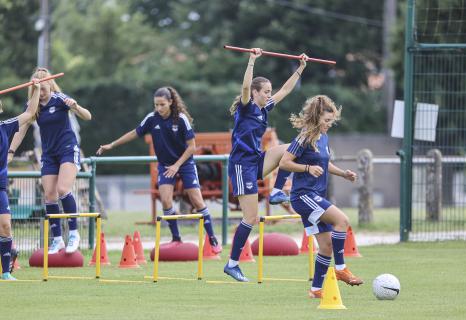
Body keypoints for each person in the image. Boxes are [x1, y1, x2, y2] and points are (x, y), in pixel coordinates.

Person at [96, 86, 222, 253]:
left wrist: (177, 165)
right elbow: (134, 133)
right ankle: (176, 238)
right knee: (166, 201)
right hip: (165, 165)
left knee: (197, 200)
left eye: (162, 104)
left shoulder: (181, 119)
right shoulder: (152, 118)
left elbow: (192, 147)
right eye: (156, 105)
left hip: (184, 164)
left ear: (170, 102)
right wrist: (111, 145)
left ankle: (212, 238)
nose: (158, 108)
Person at [224, 48, 307, 282]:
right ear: (256, 93)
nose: (269, 95)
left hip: (256, 160)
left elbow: (286, 90)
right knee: (250, 218)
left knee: (294, 146)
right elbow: (244, 87)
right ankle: (232, 264)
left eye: (270, 91)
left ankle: (278, 191)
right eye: (266, 92)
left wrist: (301, 67)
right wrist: (252, 60)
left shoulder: (264, 108)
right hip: (241, 165)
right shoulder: (246, 105)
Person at [279, 95, 363, 299]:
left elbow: (324, 164)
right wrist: (307, 168)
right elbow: (284, 163)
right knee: (342, 220)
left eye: (331, 121)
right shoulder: (304, 136)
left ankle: (316, 290)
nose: (329, 125)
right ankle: (341, 268)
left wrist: (343, 173)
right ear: (316, 118)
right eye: (326, 121)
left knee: (325, 246)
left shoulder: (324, 137)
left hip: (314, 196)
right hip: (303, 196)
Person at [9, 67, 92, 255]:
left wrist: (75, 106)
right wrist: (11, 151)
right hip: (49, 154)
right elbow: (20, 130)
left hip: (68, 150)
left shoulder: (60, 98)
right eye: (38, 84)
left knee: (63, 189)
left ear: (50, 83)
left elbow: (87, 116)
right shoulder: (32, 106)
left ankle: (73, 234)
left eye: (45, 83)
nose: (42, 87)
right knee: (50, 196)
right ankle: (57, 240)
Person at [1, 80, 40, 280]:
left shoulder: (5, 127)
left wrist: (36, 88)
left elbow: (30, 113)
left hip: (0, 187)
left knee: (5, 225)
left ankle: (6, 272)